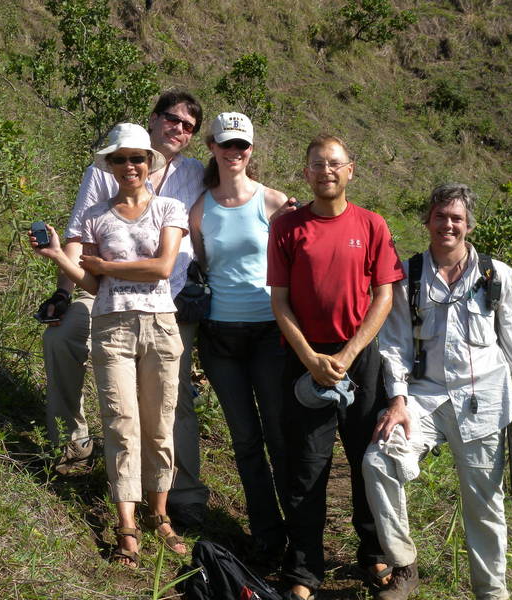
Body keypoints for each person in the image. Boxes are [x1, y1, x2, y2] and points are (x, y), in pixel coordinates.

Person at [363, 183, 512, 599]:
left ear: (468, 225)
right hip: (425, 398)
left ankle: (491, 593)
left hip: (483, 402)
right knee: (378, 461)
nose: (447, 225)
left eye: (456, 218)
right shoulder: (410, 275)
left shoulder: (495, 275)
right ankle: (403, 564)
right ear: (427, 220)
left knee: (485, 507)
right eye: (440, 216)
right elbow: (394, 342)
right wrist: (397, 400)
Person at [38, 91, 209, 528]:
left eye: (189, 126)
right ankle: (71, 442)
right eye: (172, 119)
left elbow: (236, 192)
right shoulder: (103, 176)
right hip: (106, 296)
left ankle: (180, 494)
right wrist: (63, 288)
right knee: (61, 338)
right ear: (153, 119)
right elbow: (79, 243)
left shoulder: (191, 175)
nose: (179, 130)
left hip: (168, 300)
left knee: (171, 405)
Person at [267, 134, 405, 600]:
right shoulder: (287, 228)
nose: (326, 170)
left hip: (359, 358)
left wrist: (347, 355)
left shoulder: (371, 225)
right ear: (305, 172)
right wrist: (309, 356)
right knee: (306, 467)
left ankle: (374, 553)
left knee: (368, 461)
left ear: (351, 170)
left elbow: (384, 294)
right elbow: (279, 300)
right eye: (316, 164)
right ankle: (304, 569)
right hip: (304, 357)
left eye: (335, 163)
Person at [189, 112, 291, 557]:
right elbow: (200, 266)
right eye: (226, 144)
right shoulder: (200, 207)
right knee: (246, 440)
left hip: (270, 332)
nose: (234, 153)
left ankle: (300, 534)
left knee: (279, 433)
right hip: (220, 336)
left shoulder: (274, 202)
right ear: (211, 146)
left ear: (252, 150)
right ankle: (267, 537)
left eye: (242, 145)